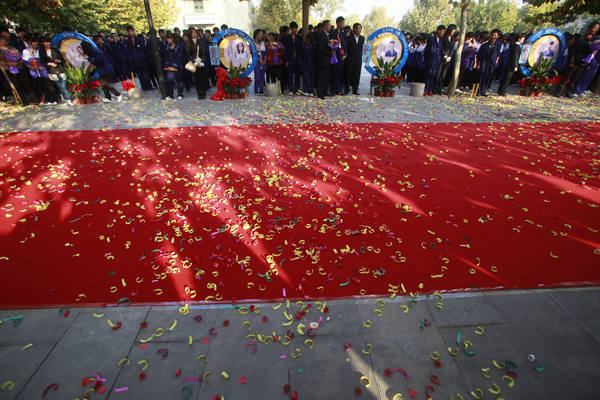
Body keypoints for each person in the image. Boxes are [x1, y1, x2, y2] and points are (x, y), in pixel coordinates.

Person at [0, 32, 36, 105]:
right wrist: (8, 63)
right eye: (3, 40)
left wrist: (18, 62)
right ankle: (23, 100)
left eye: (6, 40)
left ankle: (32, 99)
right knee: (17, 85)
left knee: (25, 83)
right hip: (8, 69)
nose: (5, 41)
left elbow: (19, 55)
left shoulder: (11, 47)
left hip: (19, 67)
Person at [22, 36, 59, 104]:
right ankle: (46, 99)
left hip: (43, 70)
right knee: (39, 85)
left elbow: (44, 60)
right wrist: (31, 67)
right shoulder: (25, 51)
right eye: (34, 42)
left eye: (36, 42)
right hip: (33, 71)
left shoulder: (40, 50)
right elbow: (24, 62)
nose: (35, 43)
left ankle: (54, 99)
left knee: (48, 84)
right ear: (30, 43)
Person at [39, 36, 73, 105]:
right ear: (43, 43)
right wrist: (49, 63)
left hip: (59, 69)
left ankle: (68, 99)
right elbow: (42, 62)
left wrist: (58, 61)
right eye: (46, 42)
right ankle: (66, 98)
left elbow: (62, 59)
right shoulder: (41, 51)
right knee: (59, 86)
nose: (48, 43)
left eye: (49, 42)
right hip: (51, 71)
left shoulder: (54, 49)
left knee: (64, 85)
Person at [126, 25, 152, 91]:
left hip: (142, 59)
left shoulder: (139, 39)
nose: (132, 33)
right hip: (134, 61)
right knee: (140, 75)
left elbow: (144, 49)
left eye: (132, 31)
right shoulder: (127, 42)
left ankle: (149, 87)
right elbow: (128, 52)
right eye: (130, 32)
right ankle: (144, 87)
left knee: (146, 74)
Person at [163, 32, 186, 100]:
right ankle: (170, 94)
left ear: (173, 39)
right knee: (169, 80)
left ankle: (180, 93)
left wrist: (174, 66)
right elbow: (166, 57)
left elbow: (180, 58)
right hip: (169, 67)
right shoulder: (167, 47)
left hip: (178, 66)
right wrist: (167, 66)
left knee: (179, 81)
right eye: (167, 39)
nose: (168, 40)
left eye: (169, 38)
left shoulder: (179, 47)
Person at [478, 29, 501, 96]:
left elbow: (498, 55)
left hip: (492, 63)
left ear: (497, 36)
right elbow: (480, 55)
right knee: (482, 77)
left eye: (495, 35)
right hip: (484, 62)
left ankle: (484, 91)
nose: (493, 36)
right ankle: (479, 91)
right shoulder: (484, 45)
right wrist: (478, 64)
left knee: (488, 77)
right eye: (492, 35)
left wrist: (496, 62)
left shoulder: (498, 45)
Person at [187, 28, 209, 99]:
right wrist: (195, 62)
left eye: (195, 32)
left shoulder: (200, 41)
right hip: (194, 63)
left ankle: (204, 92)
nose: (194, 34)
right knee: (197, 79)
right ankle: (199, 93)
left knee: (203, 78)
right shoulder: (188, 43)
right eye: (192, 32)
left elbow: (204, 53)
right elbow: (188, 55)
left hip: (201, 62)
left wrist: (201, 62)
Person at [283, 21, 303, 95]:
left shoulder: (299, 38)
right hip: (290, 59)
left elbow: (301, 49)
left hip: (297, 59)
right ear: (291, 29)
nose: (295, 30)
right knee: (290, 75)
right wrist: (286, 60)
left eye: (296, 28)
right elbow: (286, 50)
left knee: (297, 75)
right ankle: (291, 89)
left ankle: (297, 89)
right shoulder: (287, 38)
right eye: (294, 28)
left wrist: (300, 59)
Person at [424, 25, 445, 95]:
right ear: (438, 31)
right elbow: (427, 50)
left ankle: (430, 90)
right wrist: (426, 60)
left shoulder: (441, 40)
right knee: (428, 75)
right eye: (442, 31)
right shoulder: (431, 39)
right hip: (430, 60)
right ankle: (426, 89)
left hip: (437, 61)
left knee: (433, 76)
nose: (443, 33)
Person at [329, 16, 347, 95]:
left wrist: (345, 54)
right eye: (342, 23)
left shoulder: (343, 33)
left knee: (340, 73)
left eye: (343, 23)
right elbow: (331, 43)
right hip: (335, 56)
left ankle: (339, 90)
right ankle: (333, 90)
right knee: (334, 73)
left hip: (342, 56)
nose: (343, 24)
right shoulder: (333, 33)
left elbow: (345, 45)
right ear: (338, 23)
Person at [436, 24, 455, 94]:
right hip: (442, 58)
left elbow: (452, 48)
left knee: (443, 74)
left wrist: (450, 56)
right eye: (453, 31)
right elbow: (441, 47)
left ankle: (440, 89)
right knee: (438, 73)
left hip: (448, 59)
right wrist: (445, 56)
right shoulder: (443, 37)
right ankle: (435, 88)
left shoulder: (453, 38)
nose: (453, 33)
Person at [345, 23, 364, 95]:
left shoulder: (362, 38)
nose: (359, 30)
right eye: (358, 28)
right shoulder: (349, 37)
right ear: (354, 29)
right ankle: (346, 89)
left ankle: (355, 90)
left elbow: (362, 49)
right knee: (348, 75)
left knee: (357, 75)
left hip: (358, 60)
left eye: (360, 28)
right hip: (350, 59)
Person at [316, 20, 332, 99]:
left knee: (326, 76)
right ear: (325, 26)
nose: (330, 27)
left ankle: (325, 91)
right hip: (322, 60)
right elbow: (321, 48)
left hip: (327, 60)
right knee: (322, 76)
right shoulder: (321, 35)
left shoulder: (327, 35)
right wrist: (330, 52)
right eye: (329, 25)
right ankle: (320, 93)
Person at [301, 31, 316, 96]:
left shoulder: (314, 47)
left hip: (312, 64)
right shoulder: (304, 46)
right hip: (305, 64)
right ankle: (306, 89)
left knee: (312, 77)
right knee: (306, 77)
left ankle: (311, 90)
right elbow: (302, 55)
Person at [253, 29, 266, 94]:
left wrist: (264, 60)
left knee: (262, 76)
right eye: (260, 34)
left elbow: (265, 52)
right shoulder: (252, 43)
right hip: (256, 61)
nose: (262, 35)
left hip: (263, 61)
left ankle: (261, 89)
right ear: (256, 34)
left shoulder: (263, 43)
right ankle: (256, 89)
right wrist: (259, 60)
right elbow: (253, 53)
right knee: (257, 76)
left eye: (262, 34)